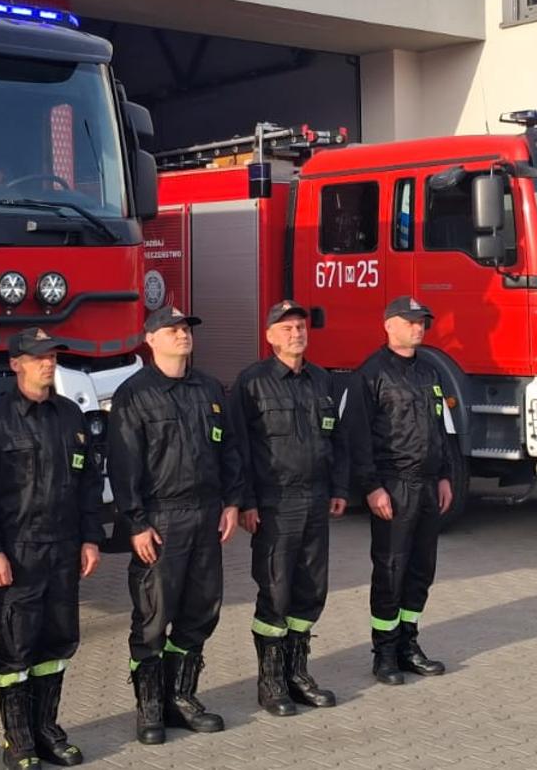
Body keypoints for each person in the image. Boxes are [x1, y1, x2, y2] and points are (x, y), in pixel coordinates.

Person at [107, 305, 246, 745]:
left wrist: (231, 502)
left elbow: (229, 450)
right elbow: (123, 464)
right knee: (153, 617)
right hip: (160, 519)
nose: (182, 334)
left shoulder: (208, 388)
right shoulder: (134, 394)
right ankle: (150, 708)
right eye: (172, 329)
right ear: (150, 339)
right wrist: (135, 523)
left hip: (206, 514)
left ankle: (181, 698)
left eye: (186, 328)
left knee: (199, 611)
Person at [0, 327, 104, 768]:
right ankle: (17, 738)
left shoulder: (69, 416)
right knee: (16, 647)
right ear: (16, 364)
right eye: (39, 356)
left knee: (59, 641)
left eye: (52, 356)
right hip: (18, 550)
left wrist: (90, 538)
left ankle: (46, 729)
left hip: (64, 548)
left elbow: (87, 483)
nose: (49, 363)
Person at [228, 300, 349, 716]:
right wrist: (245, 501)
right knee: (275, 590)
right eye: (286, 328)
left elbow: (338, 440)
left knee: (311, 590)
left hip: (316, 499)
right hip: (275, 504)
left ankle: (298, 674)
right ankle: (271, 682)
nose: (296, 333)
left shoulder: (322, 380)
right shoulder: (251, 383)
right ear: (269, 336)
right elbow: (238, 449)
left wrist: (339, 487)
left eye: (300, 327)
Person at [347, 295, 458, 686]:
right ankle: (385, 652)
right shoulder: (371, 374)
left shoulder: (431, 372)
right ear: (388, 325)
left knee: (420, 569)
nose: (418, 327)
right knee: (391, 570)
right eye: (410, 321)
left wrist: (445, 475)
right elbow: (357, 438)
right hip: (394, 486)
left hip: (428, 485)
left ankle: (410, 644)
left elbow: (442, 428)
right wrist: (373, 487)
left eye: (422, 322)